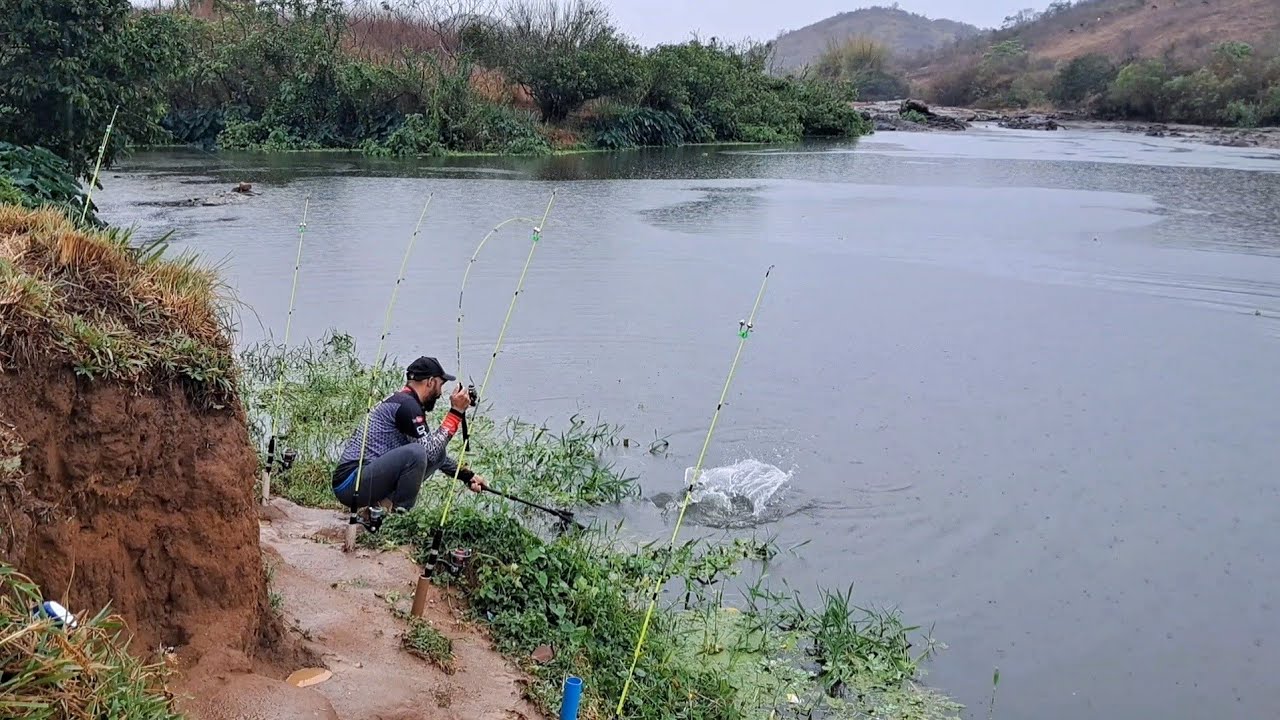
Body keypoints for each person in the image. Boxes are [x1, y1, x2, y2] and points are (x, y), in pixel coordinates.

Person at [331, 355, 487, 514]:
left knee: (436, 452)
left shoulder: (406, 402)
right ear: (430, 382)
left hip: (362, 479)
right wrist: (456, 412)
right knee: (419, 452)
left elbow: (434, 454)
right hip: (351, 483)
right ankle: (398, 515)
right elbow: (427, 453)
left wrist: (467, 476)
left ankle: (377, 512)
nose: (441, 393)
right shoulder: (407, 406)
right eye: (441, 385)